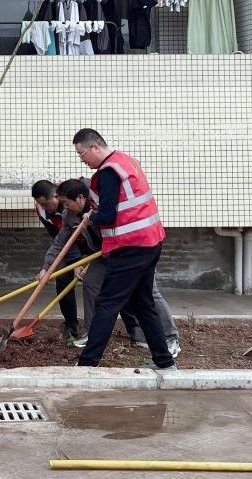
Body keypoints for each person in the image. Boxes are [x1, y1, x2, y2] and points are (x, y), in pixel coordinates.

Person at [71, 128, 176, 370]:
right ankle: (164, 361)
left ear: (96, 147)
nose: (82, 159)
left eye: (82, 153)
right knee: (143, 303)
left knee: (107, 303)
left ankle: (87, 364)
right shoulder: (125, 161)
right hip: (150, 242)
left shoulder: (108, 172)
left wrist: (91, 218)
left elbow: (107, 215)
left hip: (131, 247)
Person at [51, 179, 181, 356]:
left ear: (80, 198)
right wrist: (46, 268)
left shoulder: (101, 206)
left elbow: (120, 224)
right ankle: (91, 333)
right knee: (90, 283)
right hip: (102, 254)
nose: (64, 208)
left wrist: (110, 244)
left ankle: (171, 337)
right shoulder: (69, 215)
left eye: (66, 203)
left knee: (150, 292)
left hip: (129, 251)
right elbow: (60, 242)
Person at [33, 179, 81, 344]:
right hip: (67, 242)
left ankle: (133, 327)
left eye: (46, 204)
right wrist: (47, 267)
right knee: (63, 280)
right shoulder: (42, 210)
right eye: (42, 205)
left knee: (99, 283)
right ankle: (71, 326)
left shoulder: (72, 199)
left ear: (57, 196)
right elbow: (59, 238)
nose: (45, 208)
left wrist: (78, 262)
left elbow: (76, 234)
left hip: (93, 241)